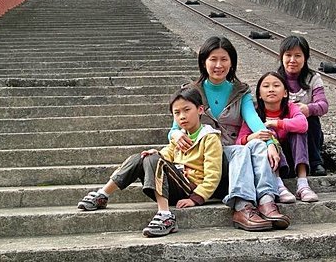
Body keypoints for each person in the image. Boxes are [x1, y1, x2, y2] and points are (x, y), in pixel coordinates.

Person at [170, 36, 290, 231]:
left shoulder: (240, 91)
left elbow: (254, 120)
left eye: (224, 59)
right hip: (205, 158)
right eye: (213, 59)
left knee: (257, 144)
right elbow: (175, 126)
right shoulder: (192, 91)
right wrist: (174, 135)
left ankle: (267, 202)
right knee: (241, 151)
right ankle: (242, 207)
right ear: (203, 62)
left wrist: (271, 144)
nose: (219, 65)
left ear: (232, 62)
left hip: (233, 158)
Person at [77, 86, 224, 238]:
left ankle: (165, 216)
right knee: (141, 157)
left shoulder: (210, 137)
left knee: (154, 160)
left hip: (189, 188)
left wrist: (196, 199)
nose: (182, 116)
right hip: (169, 187)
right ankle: (103, 194)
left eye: (187, 110)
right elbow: (167, 153)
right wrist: (156, 153)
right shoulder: (180, 136)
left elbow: (213, 175)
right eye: (177, 113)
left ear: (200, 110)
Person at [236, 71, 319, 203]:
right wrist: (255, 136)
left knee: (298, 132)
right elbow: (239, 141)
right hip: (272, 164)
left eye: (276, 85)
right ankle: (278, 185)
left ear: (285, 93)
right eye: (266, 86)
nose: (271, 90)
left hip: (294, 160)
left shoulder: (291, 107)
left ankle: (303, 184)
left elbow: (303, 124)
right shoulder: (255, 115)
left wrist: (276, 123)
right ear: (259, 95)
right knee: (266, 134)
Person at [277, 35, 329, 176]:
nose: (292, 60)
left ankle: (315, 161)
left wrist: (308, 109)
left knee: (310, 120)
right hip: (285, 129)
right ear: (282, 57)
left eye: (298, 56)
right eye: (288, 55)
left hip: (309, 131)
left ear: (305, 58)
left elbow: (323, 105)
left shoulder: (313, 78)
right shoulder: (275, 79)